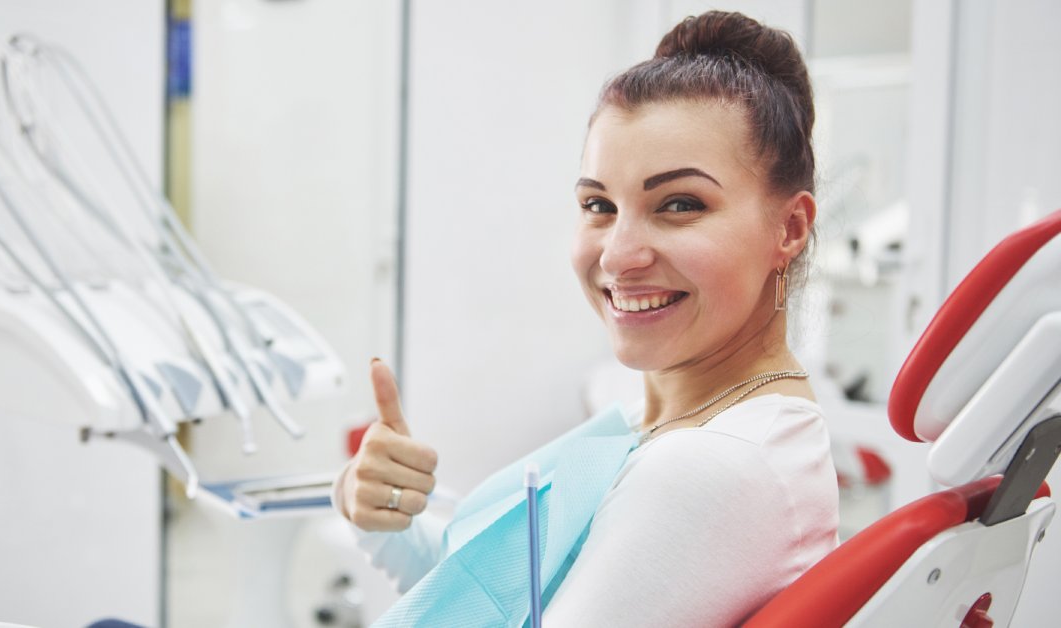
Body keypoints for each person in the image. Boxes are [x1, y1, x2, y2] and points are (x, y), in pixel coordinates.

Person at [333, 11, 839, 627]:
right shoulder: (669, 424)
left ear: (789, 228)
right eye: (599, 205)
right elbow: (495, 594)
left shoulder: (710, 467)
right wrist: (378, 512)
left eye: (680, 204)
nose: (619, 256)